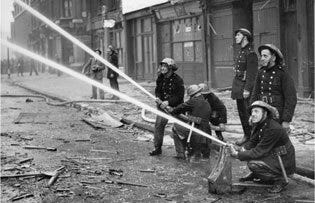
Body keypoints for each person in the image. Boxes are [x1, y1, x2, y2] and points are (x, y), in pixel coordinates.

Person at [228, 101, 295, 193]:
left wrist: (237, 154)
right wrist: (239, 149)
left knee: (253, 164)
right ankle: (259, 174)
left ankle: (280, 180)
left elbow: (259, 151)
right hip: (272, 154)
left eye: (256, 111)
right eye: (252, 112)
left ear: (265, 113)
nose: (253, 114)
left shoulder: (273, 128)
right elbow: (252, 142)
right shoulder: (261, 124)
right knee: (248, 155)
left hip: (283, 159)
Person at [250, 44, 297, 132]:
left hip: (277, 113)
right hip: (262, 111)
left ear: (273, 58)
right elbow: (254, 94)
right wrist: (252, 113)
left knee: (276, 140)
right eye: (261, 56)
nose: (262, 58)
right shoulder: (261, 72)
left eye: (265, 56)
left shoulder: (283, 73)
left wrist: (286, 120)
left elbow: (291, 98)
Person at [149, 58, 185, 156]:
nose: (162, 68)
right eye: (162, 66)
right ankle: (157, 148)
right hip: (162, 107)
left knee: (179, 128)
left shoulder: (178, 80)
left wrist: (168, 102)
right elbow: (158, 90)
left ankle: (181, 152)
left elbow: (179, 96)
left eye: (165, 66)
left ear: (170, 68)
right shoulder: (160, 78)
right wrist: (158, 99)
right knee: (159, 126)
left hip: (176, 107)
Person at [169, 85, 212, 161]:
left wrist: (171, 110)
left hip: (196, 131)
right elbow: (200, 118)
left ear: (192, 95)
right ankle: (201, 155)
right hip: (207, 133)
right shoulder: (206, 102)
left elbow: (178, 109)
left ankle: (181, 154)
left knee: (176, 127)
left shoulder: (193, 101)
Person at [232, 28, 258, 146]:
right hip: (238, 86)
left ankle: (253, 139)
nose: (236, 37)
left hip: (245, 88)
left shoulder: (250, 53)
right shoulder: (241, 52)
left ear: (245, 37)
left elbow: (252, 75)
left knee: (248, 114)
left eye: (238, 35)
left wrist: (247, 89)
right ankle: (246, 135)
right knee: (242, 113)